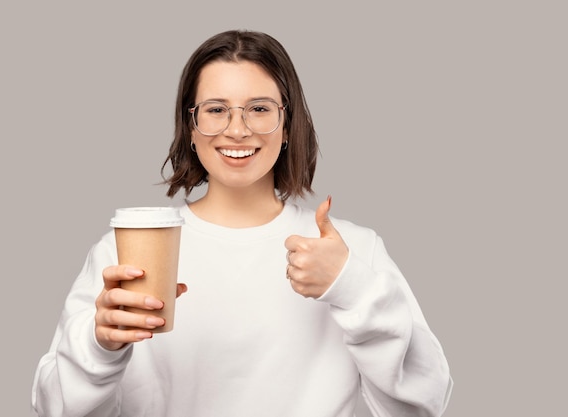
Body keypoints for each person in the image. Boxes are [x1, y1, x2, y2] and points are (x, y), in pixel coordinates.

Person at [32, 29, 453, 417]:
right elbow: (54, 408)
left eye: (259, 109)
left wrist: (352, 287)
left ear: (287, 125)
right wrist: (99, 346)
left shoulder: (350, 252)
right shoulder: (122, 252)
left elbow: (424, 403)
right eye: (216, 110)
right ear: (191, 127)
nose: (237, 130)